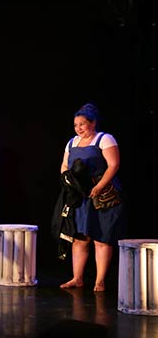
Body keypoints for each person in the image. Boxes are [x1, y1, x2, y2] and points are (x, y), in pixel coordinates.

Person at [58, 103, 125, 292]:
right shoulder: (72, 142)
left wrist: (98, 187)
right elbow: (64, 165)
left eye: (82, 124)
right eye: (75, 125)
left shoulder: (104, 139)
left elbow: (114, 165)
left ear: (93, 123)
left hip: (103, 196)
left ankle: (100, 281)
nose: (78, 128)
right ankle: (77, 278)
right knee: (80, 238)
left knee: (101, 238)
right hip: (80, 196)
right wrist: (68, 183)